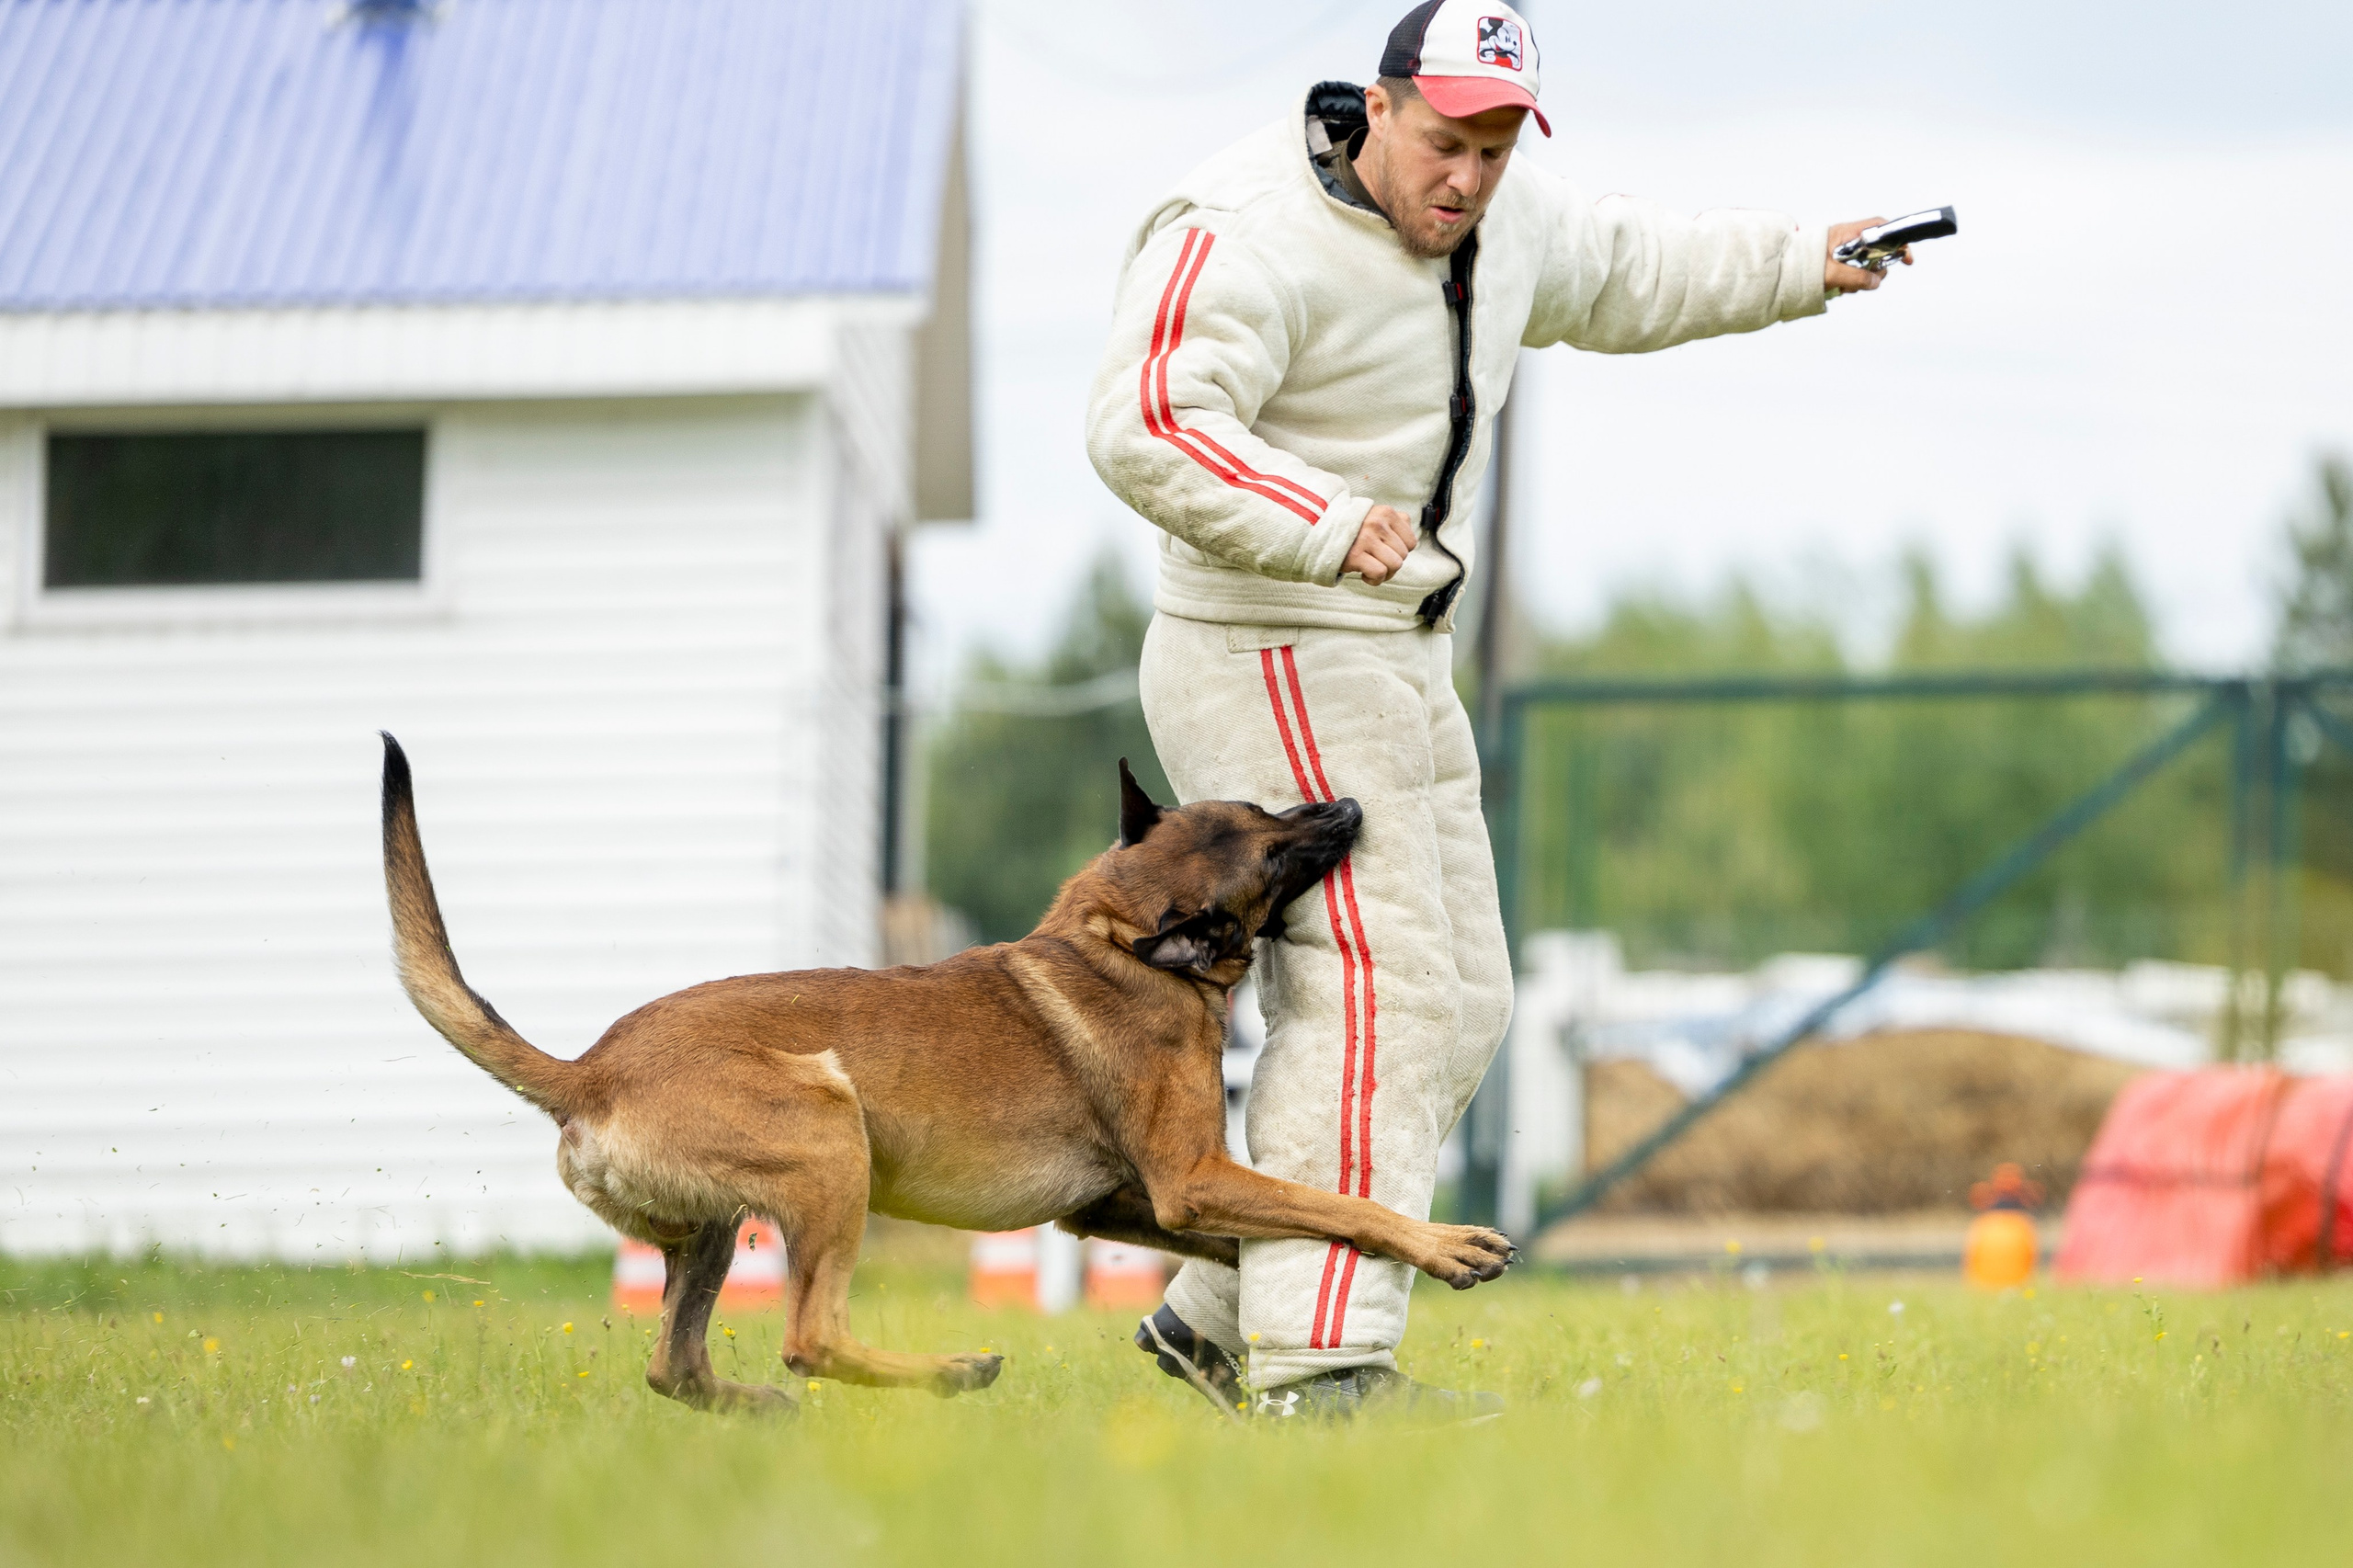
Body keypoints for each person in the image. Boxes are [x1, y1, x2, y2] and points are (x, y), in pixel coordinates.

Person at [1086, 0, 1915, 1421]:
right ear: (1383, 105)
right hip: (1265, 633)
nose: (1468, 179)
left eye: (1499, 148)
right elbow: (1146, 420)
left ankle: (1218, 1315)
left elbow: (1634, 266)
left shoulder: (1509, 217)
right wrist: (1324, 520)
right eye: (1449, 141)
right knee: (1374, 984)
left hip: (1395, 654)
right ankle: (1322, 1365)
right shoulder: (1241, 225)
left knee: (1464, 996)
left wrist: (1806, 260)